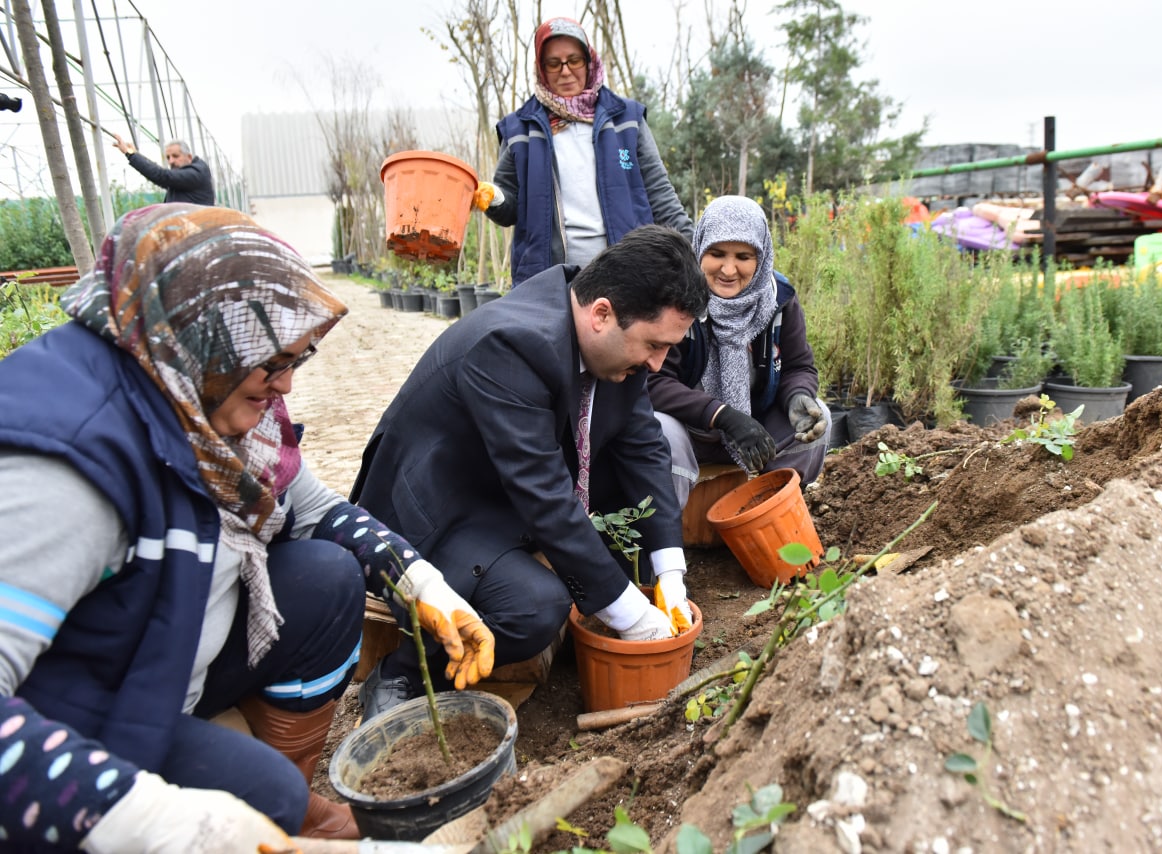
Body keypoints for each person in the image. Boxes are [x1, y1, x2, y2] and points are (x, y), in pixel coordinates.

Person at [0, 203, 494, 850]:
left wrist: (422, 584)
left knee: (326, 577)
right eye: (269, 361)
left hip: (152, 650)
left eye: (299, 358)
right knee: (261, 796)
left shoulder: (193, 395)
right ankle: (265, 805)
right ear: (197, 331)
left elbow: (318, 512)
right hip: (69, 710)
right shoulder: (70, 460)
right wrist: (141, 818)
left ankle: (279, 801)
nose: (285, 383)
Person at [350, 225, 709, 719]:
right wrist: (627, 612)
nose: (657, 362)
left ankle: (609, 588)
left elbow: (644, 446)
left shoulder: (609, 341)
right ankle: (404, 673)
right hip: (444, 504)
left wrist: (669, 574)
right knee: (536, 608)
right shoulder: (510, 346)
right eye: (653, 345)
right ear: (602, 313)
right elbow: (545, 496)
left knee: (662, 453)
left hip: (510, 481)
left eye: (668, 347)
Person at [472, 16, 693, 284]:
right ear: (541, 69)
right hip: (549, 281)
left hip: (628, 277)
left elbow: (660, 196)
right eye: (553, 64)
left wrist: (695, 255)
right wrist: (493, 197)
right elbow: (511, 208)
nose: (565, 71)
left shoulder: (626, 120)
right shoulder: (521, 129)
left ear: (589, 62)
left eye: (574, 60)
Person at [648, 195, 830, 507]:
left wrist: (798, 396)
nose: (729, 270)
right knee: (659, 431)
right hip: (692, 432)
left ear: (761, 257)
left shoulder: (778, 300)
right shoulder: (677, 299)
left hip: (755, 428)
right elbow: (654, 382)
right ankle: (670, 538)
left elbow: (799, 366)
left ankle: (772, 514)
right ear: (700, 248)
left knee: (819, 416)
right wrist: (721, 415)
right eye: (717, 254)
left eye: (743, 256)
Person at [112, 134, 216, 205]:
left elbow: (162, 176)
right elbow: (160, 173)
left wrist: (130, 154)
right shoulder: (183, 178)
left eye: (175, 156)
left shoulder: (196, 173)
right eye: (168, 157)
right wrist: (134, 154)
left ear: (189, 157)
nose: (171, 161)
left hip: (197, 235)